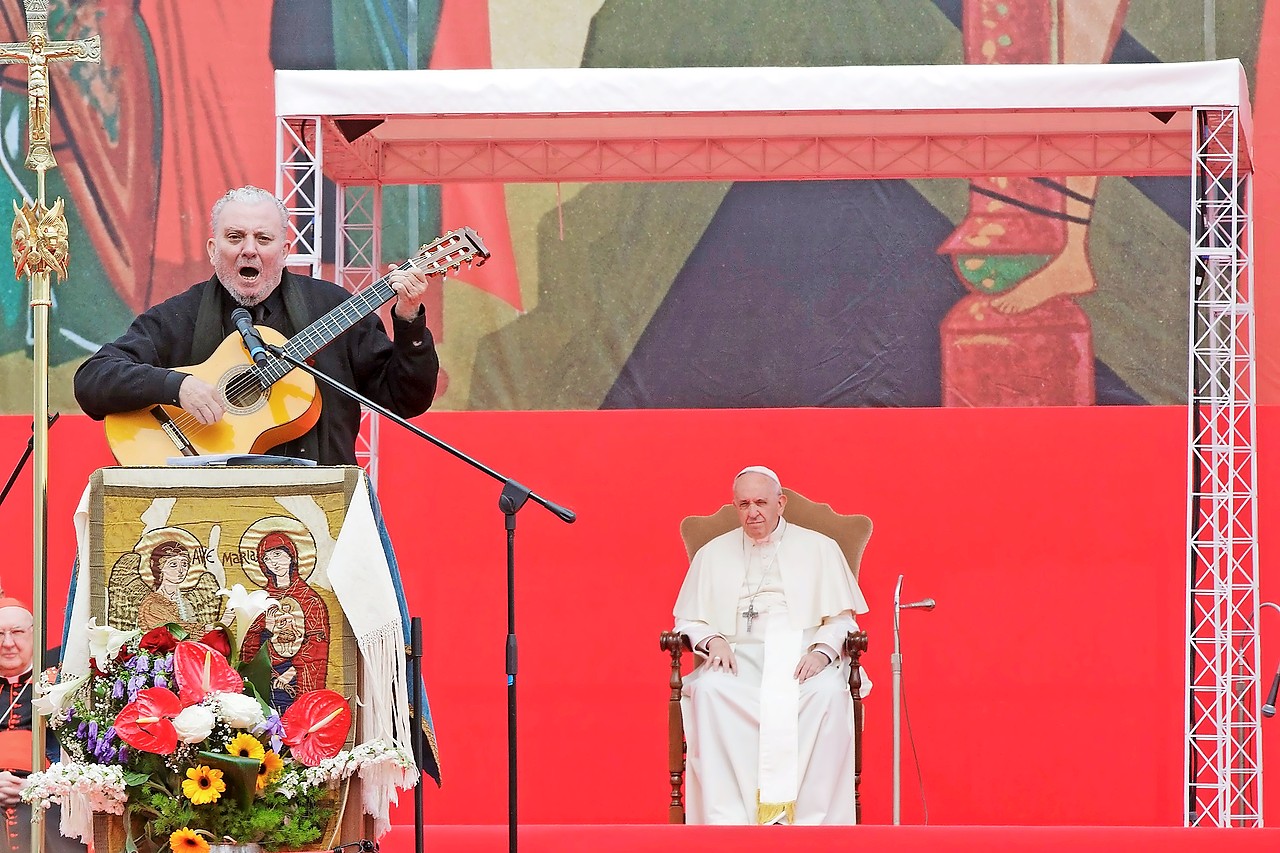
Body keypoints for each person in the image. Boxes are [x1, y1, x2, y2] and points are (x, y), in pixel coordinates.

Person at [73, 185, 441, 466]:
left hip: (322, 505)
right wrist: (176, 386)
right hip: (208, 509)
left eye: (263, 239)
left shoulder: (333, 307)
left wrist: (408, 321)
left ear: (283, 251)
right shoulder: (178, 316)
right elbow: (92, 379)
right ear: (212, 249)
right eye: (235, 237)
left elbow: (405, 400)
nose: (249, 249)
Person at [672, 466, 870, 825]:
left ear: (781, 503)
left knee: (827, 694)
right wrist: (713, 640)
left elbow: (842, 619)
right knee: (711, 690)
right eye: (744, 503)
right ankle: (729, 820)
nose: (753, 513)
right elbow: (687, 619)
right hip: (737, 654)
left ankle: (812, 822)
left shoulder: (819, 548)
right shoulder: (713, 554)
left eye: (761, 502)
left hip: (801, 654)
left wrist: (821, 652)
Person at [0, 598, 82, 853]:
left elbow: (77, 754)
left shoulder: (60, 684)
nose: (8, 643)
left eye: (17, 632)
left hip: (50, 797)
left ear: (35, 634)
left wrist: (37, 785)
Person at [239, 532, 330, 711]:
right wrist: (266, 627)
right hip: (266, 673)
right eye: (267, 558)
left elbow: (316, 643)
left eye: (278, 555)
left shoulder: (309, 599)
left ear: (291, 556)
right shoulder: (262, 599)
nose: (273, 562)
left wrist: (290, 673)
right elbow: (250, 642)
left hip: (296, 675)